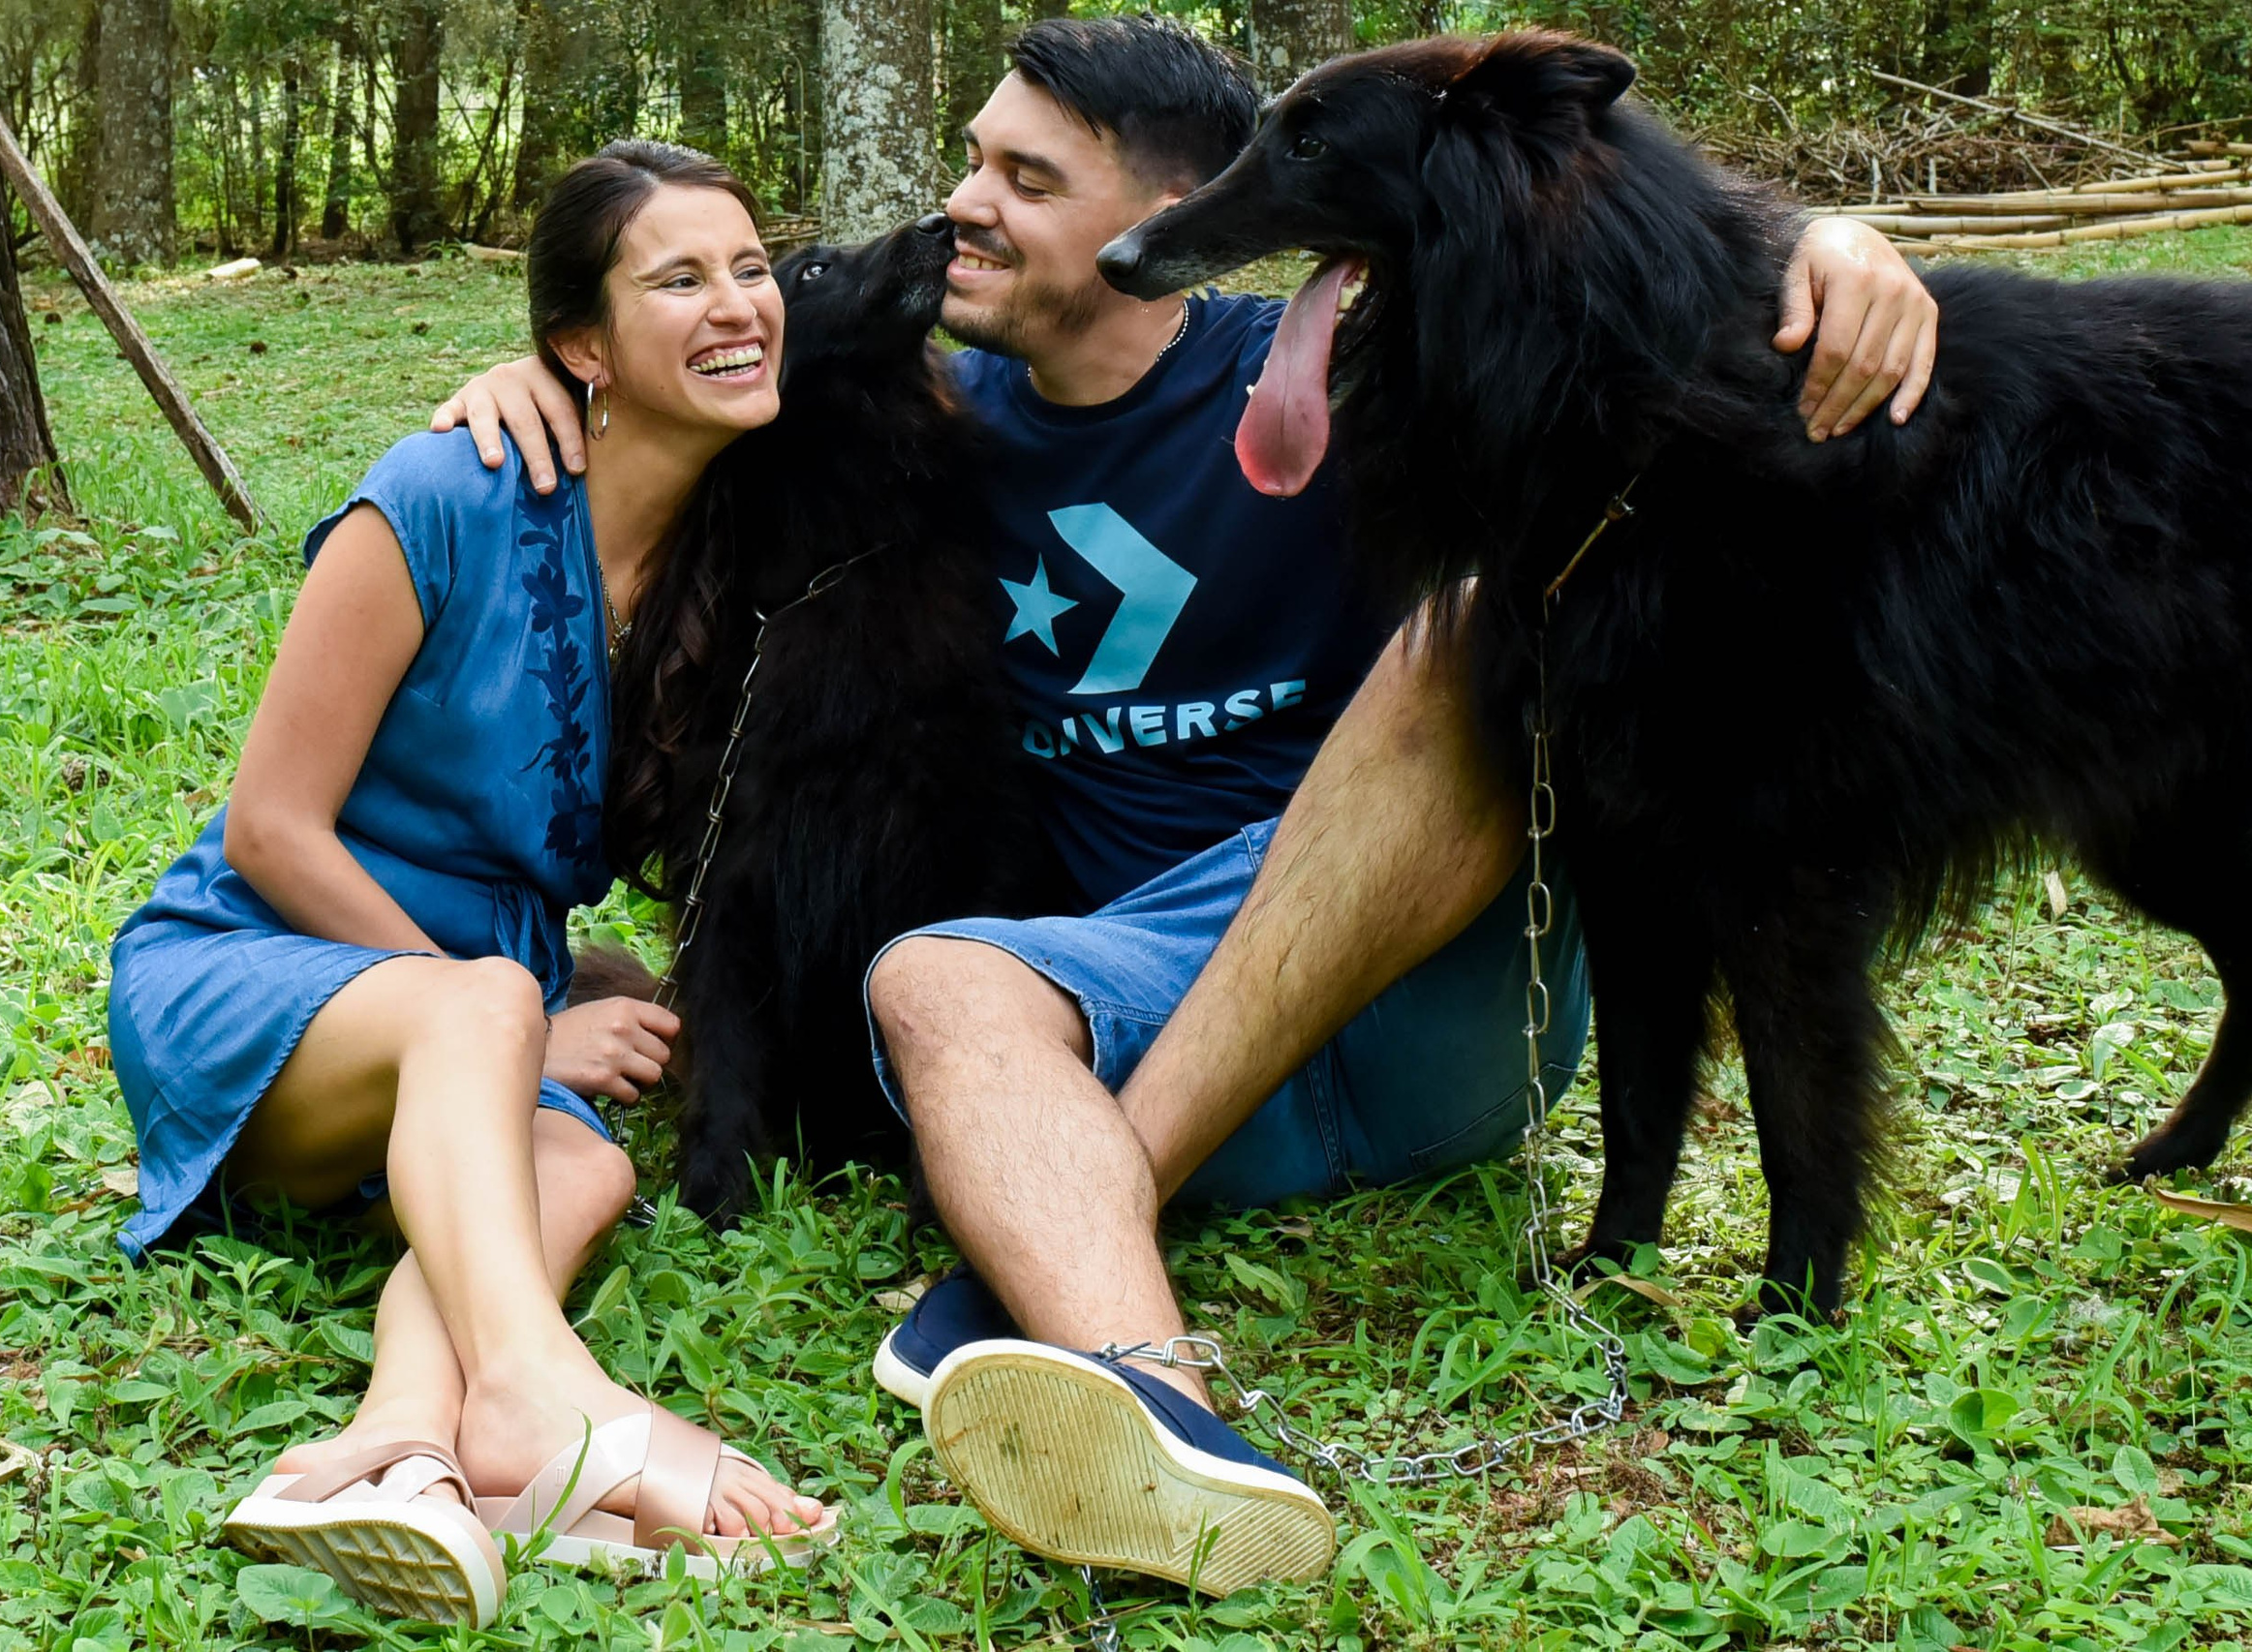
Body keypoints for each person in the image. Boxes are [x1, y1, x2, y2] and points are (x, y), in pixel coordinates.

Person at [436, 16, 1939, 1594]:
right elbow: (702, 397)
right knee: (933, 976)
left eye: (1025, 175)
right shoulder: (925, 428)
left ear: (1162, 206)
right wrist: (542, 370)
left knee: (1481, 631)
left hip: (1421, 987)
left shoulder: (1346, 367)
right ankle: (1164, 1417)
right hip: (1135, 1017)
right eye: (969, 160)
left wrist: (1829, 247)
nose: (966, 201)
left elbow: (1594, 271)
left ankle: (1041, 1258)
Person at [106, 140, 835, 1629]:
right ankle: (544, 1396)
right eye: (679, 278)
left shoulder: (738, 541)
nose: (738, 304)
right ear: (580, 344)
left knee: (588, 1168)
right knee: (494, 1003)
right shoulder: (446, 488)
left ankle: (408, 1446)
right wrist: (519, 1020)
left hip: (468, 1019)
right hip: (253, 970)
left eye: (752, 268)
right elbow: (272, 828)